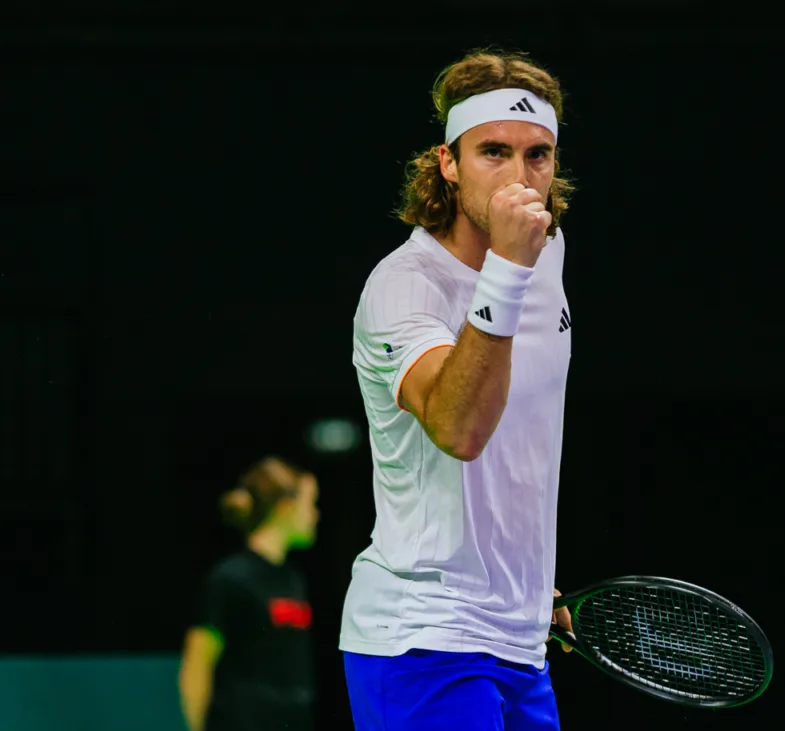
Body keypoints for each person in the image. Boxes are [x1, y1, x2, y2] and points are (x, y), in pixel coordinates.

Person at [340, 49, 577, 730]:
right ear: (448, 163)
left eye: (537, 155)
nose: (518, 178)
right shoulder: (403, 287)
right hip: (422, 639)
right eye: (493, 152)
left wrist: (523, 580)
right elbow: (460, 430)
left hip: (519, 639)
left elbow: (518, 445)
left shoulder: (547, 253)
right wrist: (505, 269)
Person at [178, 456, 320, 731]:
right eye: (310, 504)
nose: (315, 515)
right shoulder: (231, 578)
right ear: (286, 507)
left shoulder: (293, 579)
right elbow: (197, 666)